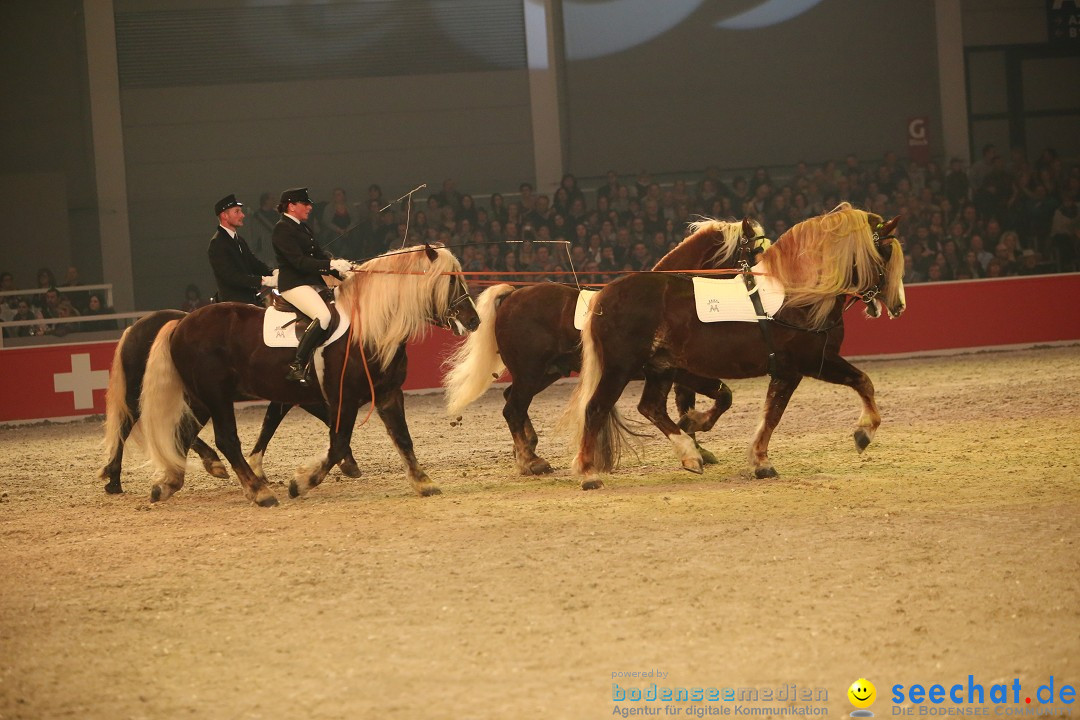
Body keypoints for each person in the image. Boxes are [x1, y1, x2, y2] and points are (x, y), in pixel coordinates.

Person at [273, 187, 352, 385]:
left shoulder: (302, 227)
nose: (309, 207)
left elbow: (318, 255)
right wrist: (329, 265)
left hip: (311, 283)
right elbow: (298, 262)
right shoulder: (282, 229)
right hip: (294, 285)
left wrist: (341, 270)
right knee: (323, 316)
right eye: (305, 204)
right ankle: (297, 365)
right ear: (291, 206)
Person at [208, 194, 277, 304]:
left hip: (249, 299)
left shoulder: (239, 240)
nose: (242, 215)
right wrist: (264, 280)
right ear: (224, 215)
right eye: (237, 211)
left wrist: (273, 272)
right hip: (234, 304)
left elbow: (254, 263)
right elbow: (232, 277)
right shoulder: (217, 243)